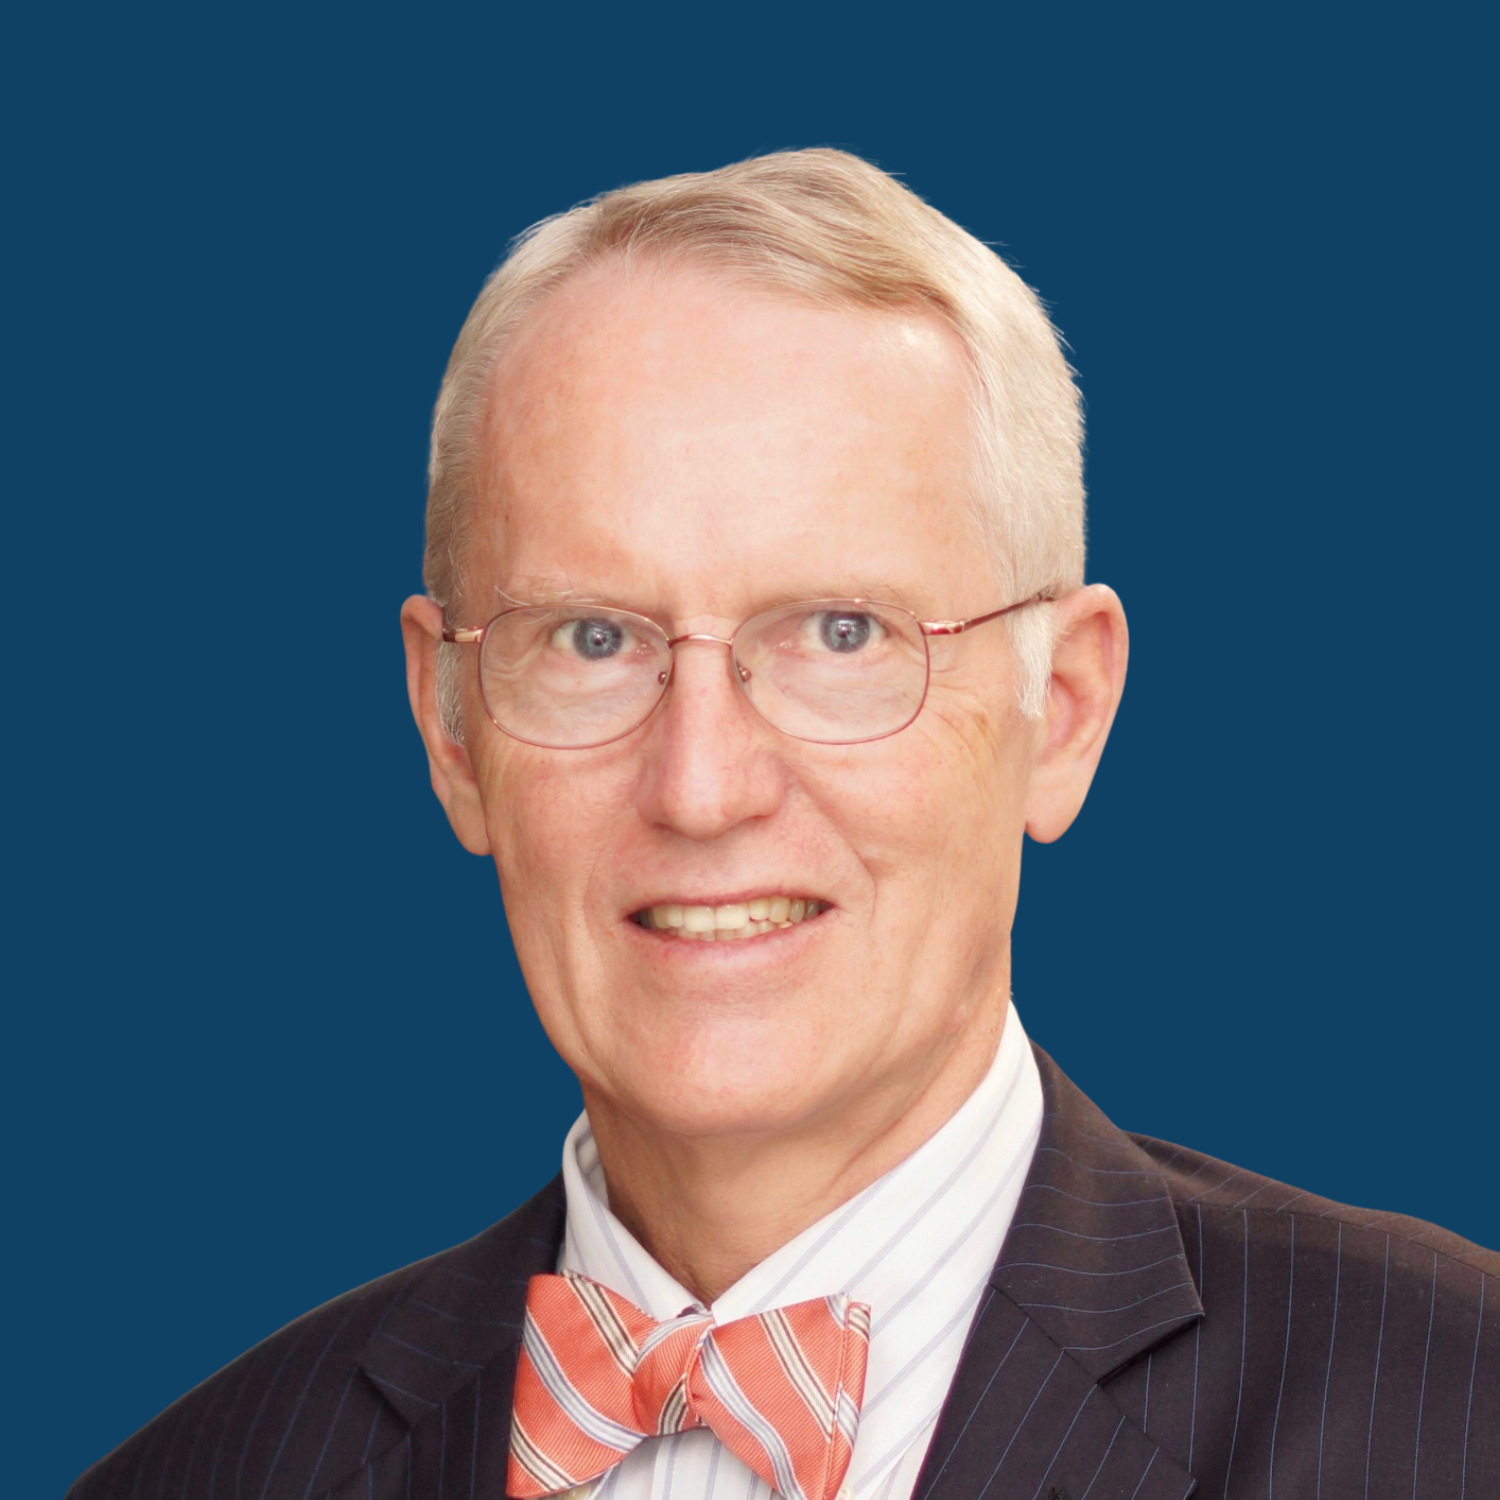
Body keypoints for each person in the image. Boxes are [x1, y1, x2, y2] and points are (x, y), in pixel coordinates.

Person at [69, 149, 1495, 1500]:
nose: (702, 786)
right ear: (450, 726)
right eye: (589, 639)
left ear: (1059, 709)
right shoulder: (209, 1472)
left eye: (838, 631)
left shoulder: (1453, 1412)